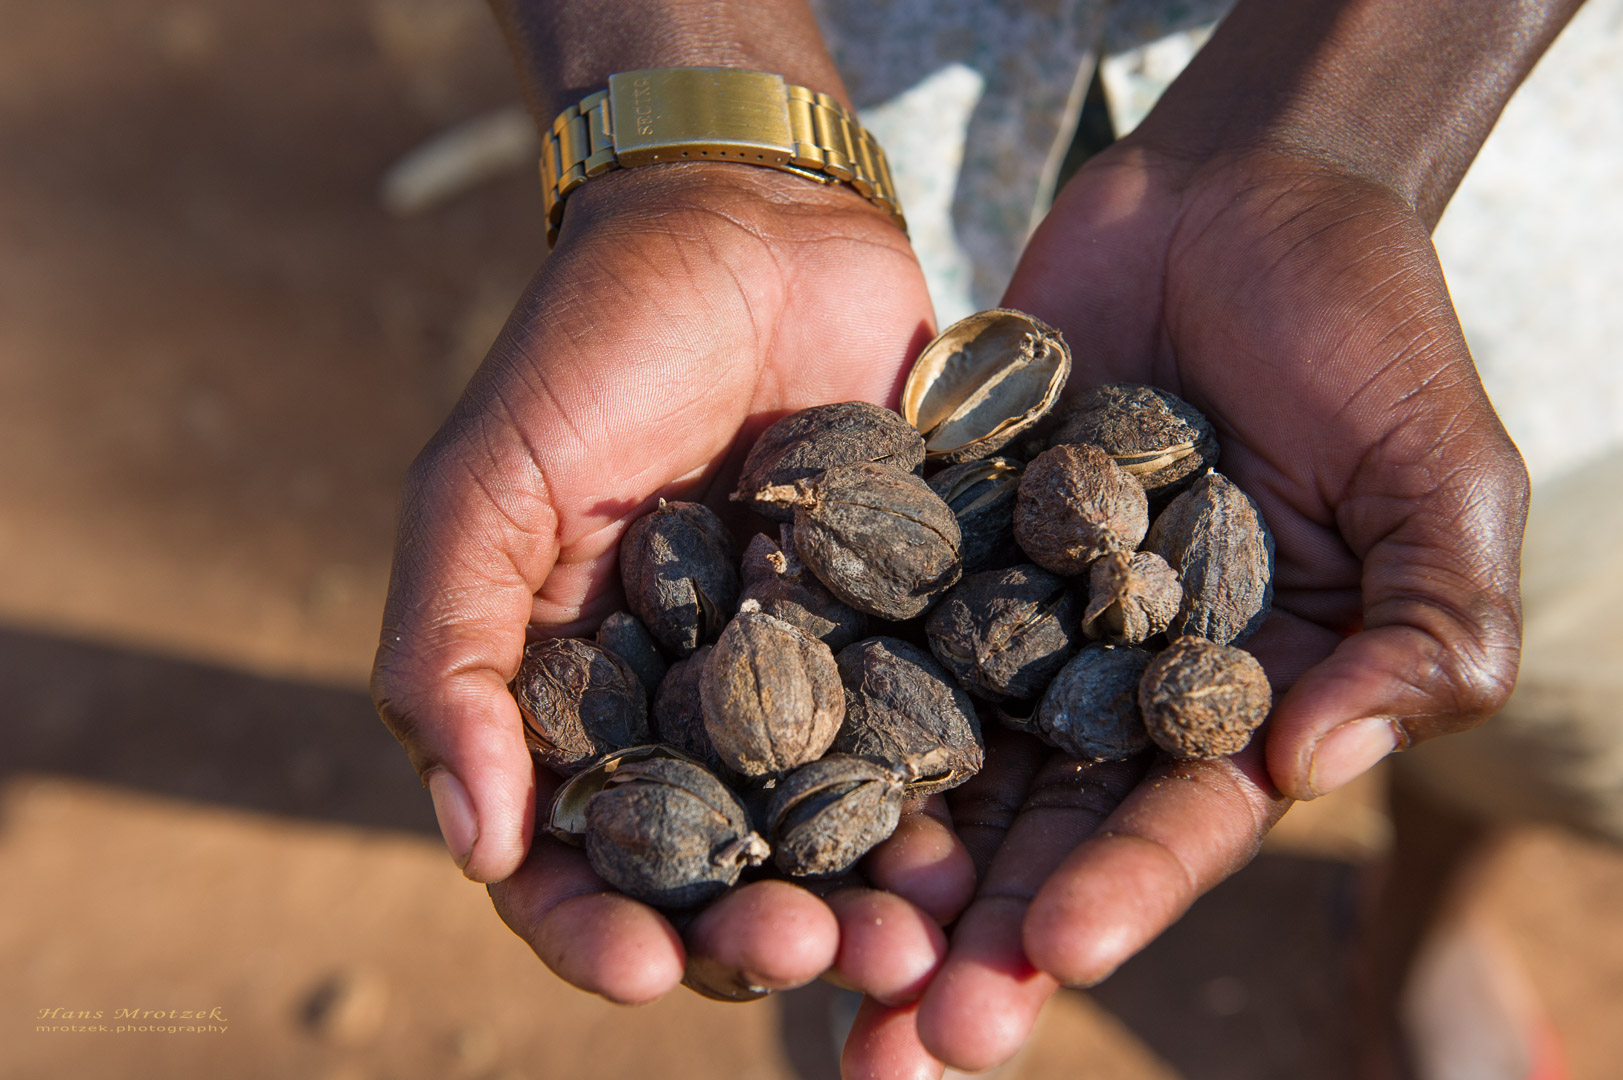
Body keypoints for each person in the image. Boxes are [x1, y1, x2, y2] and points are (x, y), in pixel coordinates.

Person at [369, 1, 1601, 1075]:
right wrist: (697, 146)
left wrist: (1341, 145)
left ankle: (1420, 916)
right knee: (878, 929)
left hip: (1447, 262)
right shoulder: (863, 570)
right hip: (847, 205)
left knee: (1493, 703)